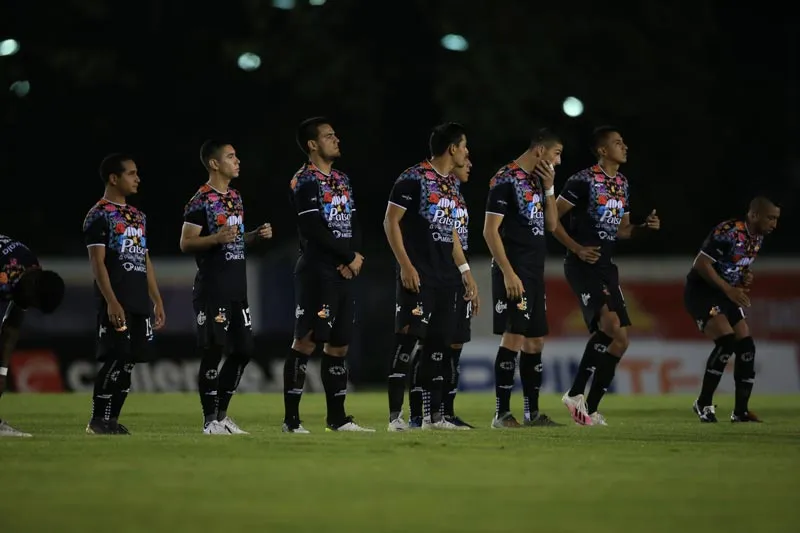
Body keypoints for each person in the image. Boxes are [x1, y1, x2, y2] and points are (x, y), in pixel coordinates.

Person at [553, 126, 660, 426]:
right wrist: (576, 248)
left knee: (621, 340)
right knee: (611, 326)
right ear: (602, 150)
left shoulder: (622, 183)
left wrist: (643, 227)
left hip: (606, 266)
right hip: (582, 264)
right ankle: (575, 393)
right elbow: (552, 218)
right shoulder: (582, 180)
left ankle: (589, 408)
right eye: (617, 143)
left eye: (623, 142)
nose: (624, 146)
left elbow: (622, 230)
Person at [385, 121, 478, 431]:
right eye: (464, 146)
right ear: (452, 148)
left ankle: (433, 417)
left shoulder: (451, 185)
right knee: (407, 343)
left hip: (446, 277)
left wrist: (465, 271)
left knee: (438, 346)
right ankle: (395, 418)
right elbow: (390, 221)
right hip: (419, 274)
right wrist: (406, 265)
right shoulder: (412, 178)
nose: (466, 152)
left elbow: (451, 234)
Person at [283, 116, 373, 433]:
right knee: (306, 341)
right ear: (312, 144)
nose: (336, 139)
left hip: (344, 271)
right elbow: (312, 227)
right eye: (329, 136)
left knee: (339, 345)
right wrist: (347, 256)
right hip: (317, 271)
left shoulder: (342, 179)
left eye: (335, 135)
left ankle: (337, 418)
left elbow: (354, 222)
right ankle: (291, 421)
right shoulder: (305, 180)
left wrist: (355, 256)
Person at [180, 140, 273, 435]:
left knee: (244, 349)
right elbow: (186, 242)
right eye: (231, 156)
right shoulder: (200, 200)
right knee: (214, 350)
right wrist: (215, 239)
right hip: (213, 287)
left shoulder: (234, 197)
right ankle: (210, 421)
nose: (237, 161)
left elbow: (235, 238)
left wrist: (255, 235)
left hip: (237, 289)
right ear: (214, 163)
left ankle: (222, 416)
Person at [483, 128, 564, 428]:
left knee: (535, 341)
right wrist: (508, 273)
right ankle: (501, 413)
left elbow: (552, 225)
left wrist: (549, 188)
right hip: (513, 269)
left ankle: (532, 414)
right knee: (514, 335)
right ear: (540, 150)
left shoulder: (538, 181)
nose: (558, 161)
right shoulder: (505, 179)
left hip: (534, 271)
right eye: (556, 154)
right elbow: (489, 231)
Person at [82, 153, 165, 435]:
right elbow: (97, 263)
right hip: (117, 300)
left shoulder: (138, 216)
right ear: (113, 178)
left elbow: (144, 259)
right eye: (131, 173)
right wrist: (111, 301)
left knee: (129, 362)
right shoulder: (99, 215)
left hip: (139, 300)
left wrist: (156, 299)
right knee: (115, 358)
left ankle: (112, 421)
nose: (137, 178)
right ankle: (97, 420)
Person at [685, 196, 780, 423]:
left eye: (776, 219)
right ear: (754, 215)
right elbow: (701, 263)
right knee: (726, 341)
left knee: (746, 347)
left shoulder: (757, 238)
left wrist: (744, 276)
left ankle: (740, 411)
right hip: (703, 292)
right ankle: (703, 403)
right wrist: (729, 289)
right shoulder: (729, 231)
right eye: (770, 218)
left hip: (725, 293)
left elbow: (736, 266)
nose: (774, 224)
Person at [0, 236, 64, 437]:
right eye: (32, 301)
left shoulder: (29, 273)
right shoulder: (5, 276)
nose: (28, 304)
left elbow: (11, 327)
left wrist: (1, 371)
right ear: (34, 281)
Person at [438, 157, 477, 429]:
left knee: (455, 344)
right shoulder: (438, 189)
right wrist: (466, 271)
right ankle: (424, 413)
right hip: (442, 273)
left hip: (458, 274)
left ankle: (447, 412)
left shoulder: (457, 194)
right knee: (434, 346)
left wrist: (466, 275)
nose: (469, 163)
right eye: (465, 157)